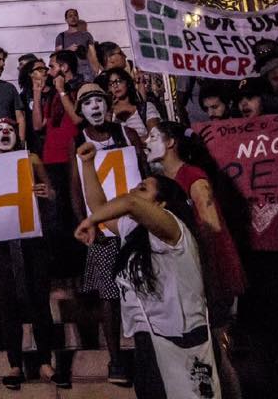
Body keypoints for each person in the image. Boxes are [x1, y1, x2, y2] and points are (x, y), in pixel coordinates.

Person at [75, 143, 220, 399]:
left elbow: (129, 203)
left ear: (161, 203)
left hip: (183, 339)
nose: (132, 191)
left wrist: (91, 221)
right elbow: (99, 205)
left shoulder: (173, 229)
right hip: (148, 340)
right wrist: (87, 164)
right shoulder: (134, 230)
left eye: (142, 188)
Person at [145, 121, 246, 398]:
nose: (146, 142)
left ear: (170, 143)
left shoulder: (192, 176)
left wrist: (200, 267)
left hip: (209, 274)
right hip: (190, 276)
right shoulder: (165, 181)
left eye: (153, 137)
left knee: (217, 350)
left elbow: (212, 226)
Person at [0, 120, 64, 390]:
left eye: (10, 129)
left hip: (32, 238)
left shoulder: (30, 159)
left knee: (38, 298)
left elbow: (52, 192)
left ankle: (45, 362)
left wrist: (47, 193)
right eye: (0, 130)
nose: (5, 133)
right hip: (1, 240)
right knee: (6, 300)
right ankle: (14, 363)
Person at [70, 83, 143, 387]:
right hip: (102, 230)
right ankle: (116, 358)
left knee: (142, 288)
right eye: (88, 102)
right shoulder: (78, 141)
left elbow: (144, 173)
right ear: (81, 110)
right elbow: (76, 189)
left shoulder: (128, 134)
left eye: (99, 100)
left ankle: (147, 351)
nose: (95, 107)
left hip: (135, 224)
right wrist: (87, 223)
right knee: (108, 295)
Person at [33, 50, 85, 276]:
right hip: (51, 158)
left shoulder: (78, 89)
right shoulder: (53, 94)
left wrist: (63, 90)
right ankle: (63, 271)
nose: (49, 70)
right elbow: (38, 125)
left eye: (52, 66)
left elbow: (77, 119)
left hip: (69, 158)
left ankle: (79, 269)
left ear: (64, 68)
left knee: (74, 213)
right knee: (56, 217)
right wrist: (37, 94)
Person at [105, 68, 161, 141]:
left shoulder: (145, 107)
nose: (115, 86)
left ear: (127, 83)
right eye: (111, 84)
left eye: (118, 81)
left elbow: (155, 137)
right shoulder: (109, 113)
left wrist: (130, 142)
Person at [56, 9, 96, 81]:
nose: (73, 17)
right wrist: (68, 49)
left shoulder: (86, 35)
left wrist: (96, 70)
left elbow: (93, 55)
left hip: (86, 72)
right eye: (70, 16)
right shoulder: (61, 36)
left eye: (75, 15)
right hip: (69, 72)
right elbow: (57, 56)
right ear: (66, 20)